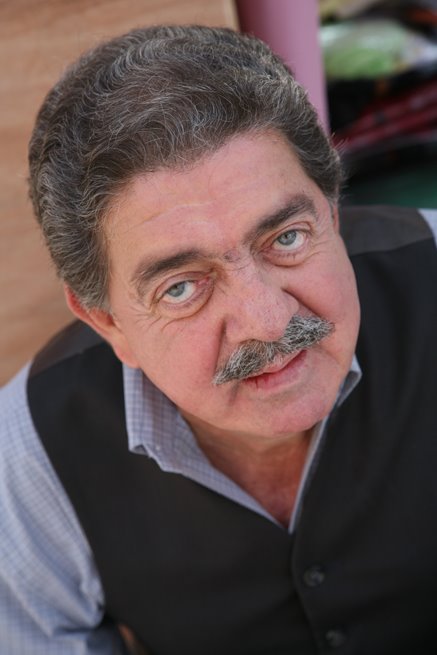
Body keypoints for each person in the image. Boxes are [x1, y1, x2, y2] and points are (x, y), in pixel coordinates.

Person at [0, 24, 436, 655]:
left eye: (286, 238)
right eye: (181, 287)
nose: (268, 321)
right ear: (107, 322)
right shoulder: (29, 452)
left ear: (332, 211)